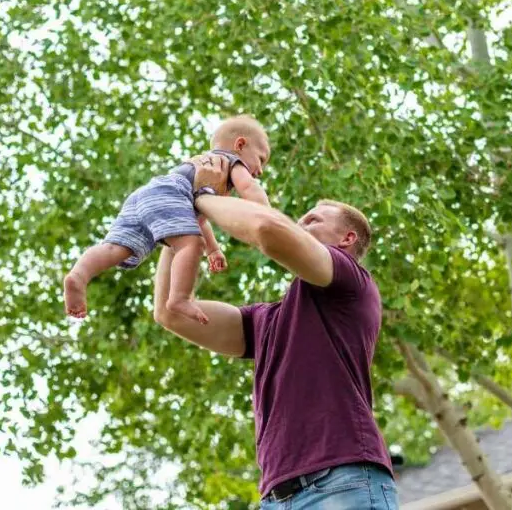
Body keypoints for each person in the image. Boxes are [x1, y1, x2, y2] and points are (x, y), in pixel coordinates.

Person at [152, 153, 398, 509]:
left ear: (347, 239)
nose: (301, 223)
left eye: (313, 219)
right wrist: (181, 218)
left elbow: (268, 230)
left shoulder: (350, 281)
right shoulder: (265, 320)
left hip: (342, 482)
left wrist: (200, 194)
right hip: (276, 497)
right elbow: (170, 313)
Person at [63, 115, 271, 321]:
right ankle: (179, 298)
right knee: (191, 245)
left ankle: (79, 275)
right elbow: (248, 187)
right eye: (261, 159)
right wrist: (268, 215)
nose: (260, 170)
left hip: (146, 195)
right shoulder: (230, 161)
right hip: (171, 193)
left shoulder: (199, 163)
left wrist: (213, 249)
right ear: (240, 144)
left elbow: (197, 219)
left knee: (116, 249)